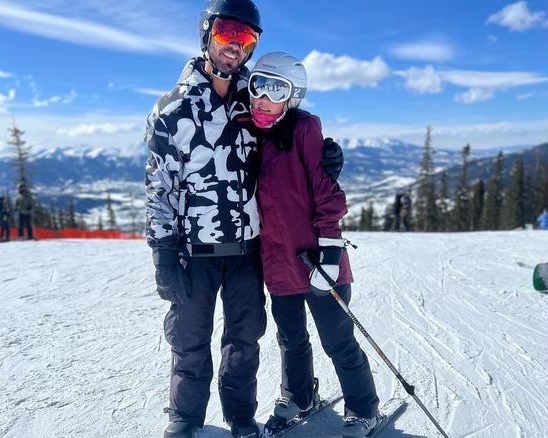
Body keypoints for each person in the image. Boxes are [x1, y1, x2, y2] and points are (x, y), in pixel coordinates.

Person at [144, 2, 343, 437]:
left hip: (247, 247)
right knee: (190, 339)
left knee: (244, 340)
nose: (235, 46)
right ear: (206, 33)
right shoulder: (172, 110)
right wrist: (162, 251)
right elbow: (159, 188)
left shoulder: (252, 105)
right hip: (193, 250)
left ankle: (240, 417)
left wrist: (325, 157)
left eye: (247, 38)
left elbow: (290, 143)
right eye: (226, 32)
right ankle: (185, 417)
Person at [249, 52, 381, 438]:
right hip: (278, 263)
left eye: (276, 89)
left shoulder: (304, 129)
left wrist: (331, 256)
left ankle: (363, 408)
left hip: (316, 261)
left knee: (338, 340)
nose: (262, 97)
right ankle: (299, 396)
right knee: (290, 339)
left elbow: (329, 197)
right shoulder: (251, 133)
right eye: (258, 85)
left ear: (293, 97)